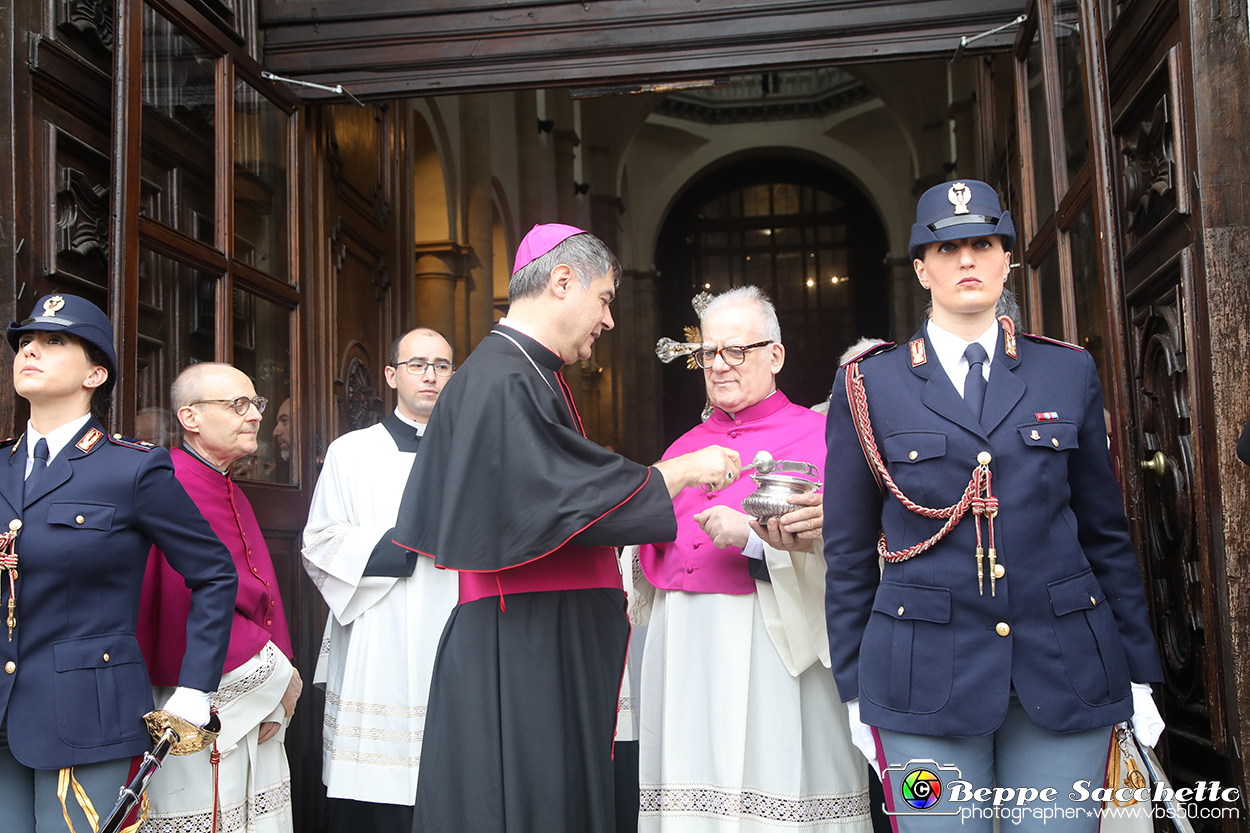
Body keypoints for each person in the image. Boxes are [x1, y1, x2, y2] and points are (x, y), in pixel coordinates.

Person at [823, 180, 1165, 832]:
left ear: (1007, 257)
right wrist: (855, 689)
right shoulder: (869, 384)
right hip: (920, 683)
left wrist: (1141, 673)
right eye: (946, 247)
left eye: (983, 243)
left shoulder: (1066, 372)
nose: (967, 260)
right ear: (921, 267)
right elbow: (847, 551)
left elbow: (1104, 533)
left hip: (1064, 669)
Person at [393, 223, 741, 833]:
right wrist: (679, 471)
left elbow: (559, 485)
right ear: (561, 282)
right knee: (532, 803)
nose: (609, 320)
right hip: (523, 641)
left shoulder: (528, 372)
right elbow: (555, 497)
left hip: (539, 633)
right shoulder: (503, 377)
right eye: (605, 298)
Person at [634, 286, 871, 832]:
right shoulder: (681, 450)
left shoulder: (826, 438)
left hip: (778, 647)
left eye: (736, 351)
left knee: (779, 790)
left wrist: (756, 539)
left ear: (776, 356)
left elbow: (860, 554)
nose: (719, 365)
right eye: (710, 353)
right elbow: (647, 553)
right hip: (686, 650)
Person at [0, 294, 237, 832]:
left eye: (54, 341)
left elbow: (215, 574)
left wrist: (196, 687)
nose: (30, 350)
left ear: (95, 373)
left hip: (86, 714)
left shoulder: (131, 470)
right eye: (24, 342)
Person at [302, 327, 459, 833]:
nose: (431, 375)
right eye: (417, 364)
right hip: (378, 631)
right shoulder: (352, 452)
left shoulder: (474, 453)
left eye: (442, 364)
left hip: (456, 624)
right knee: (377, 798)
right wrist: (405, 545)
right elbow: (320, 542)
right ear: (392, 376)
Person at [138, 362, 300, 833]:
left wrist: (282, 672)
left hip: (250, 687)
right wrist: (276, 676)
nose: (254, 416)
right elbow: (181, 605)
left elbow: (262, 591)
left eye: (256, 404)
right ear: (190, 417)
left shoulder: (230, 485)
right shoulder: (169, 483)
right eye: (238, 405)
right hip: (198, 694)